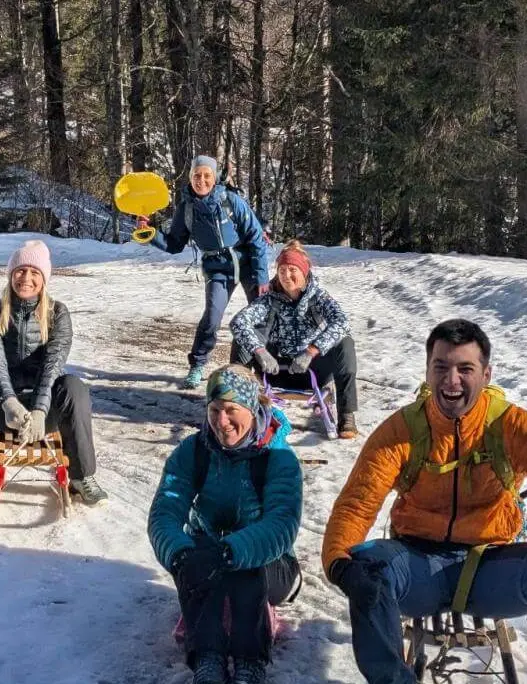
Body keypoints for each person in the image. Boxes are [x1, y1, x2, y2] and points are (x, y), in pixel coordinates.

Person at [321, 319, 527, 684]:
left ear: (486, 374)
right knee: (366, 567)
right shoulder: (402, 431)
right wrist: (340, 564)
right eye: (440, 367)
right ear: (427, 371)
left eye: (465, 369)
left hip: (493, 566)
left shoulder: (513, 428)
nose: (451, 380)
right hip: (416, 564)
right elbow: (355, 505)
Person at [148, 365, 303, 684]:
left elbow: (281, 525)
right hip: (207, 556)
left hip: (272, 566)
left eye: (231, 410)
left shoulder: (278, 458)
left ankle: (250, 660)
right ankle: (207, 657)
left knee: (243, 563)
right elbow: (165, 512)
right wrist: (180, 555)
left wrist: (229, 553)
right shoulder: (193, 451)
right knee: (201, 557)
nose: (221, 421)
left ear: (252, 408)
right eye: (214, 410)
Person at [0, 239, 108, 510]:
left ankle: (82, 476)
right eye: (20, 271)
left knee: (74, 386)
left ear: (44, 279)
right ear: (11, 274)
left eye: (34, 272)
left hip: (44, 414)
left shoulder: (57, 313)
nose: (26, 278)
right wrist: (10, 403)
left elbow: (52, 366)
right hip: (4, 412)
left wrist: (38, 410)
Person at [147, 155, 269, 389]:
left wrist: (261, 276)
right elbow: (174, 244)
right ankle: (197, 364)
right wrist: (151, 235)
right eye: (196, 175)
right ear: (190, 177)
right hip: (216, 268)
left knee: (261, 315)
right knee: (212, 317)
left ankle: (260, 367)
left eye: (206, 175)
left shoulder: (231, 201)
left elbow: (255, 237)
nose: (201, 180)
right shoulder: (187, 209)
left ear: (214, 178)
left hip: (247, 262)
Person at [230, 240, 359, 438]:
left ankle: (346, 415)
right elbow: (238, 322)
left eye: (292, 270)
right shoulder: (269, 299)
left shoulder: (318, 298)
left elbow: (342, 322)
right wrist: (260, 350)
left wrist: (311, 351)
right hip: (275, 369)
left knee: (345, 342)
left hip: (314, 371)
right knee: (242, 340)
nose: (286, 275)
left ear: (304, 272)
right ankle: (238, 405)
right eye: (282, 270)